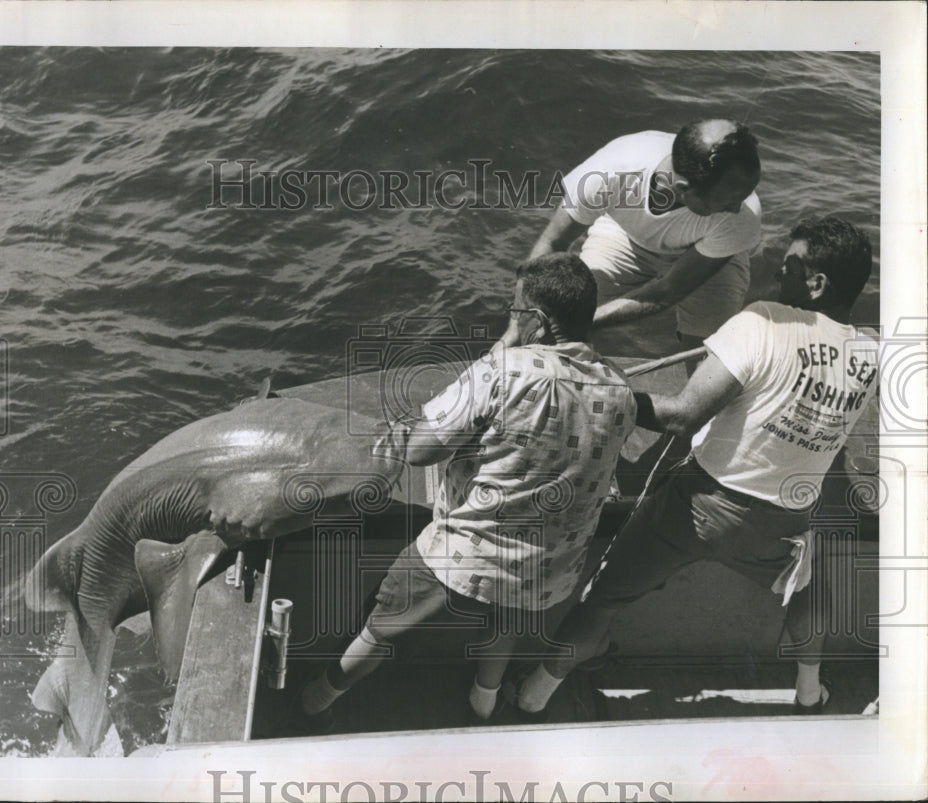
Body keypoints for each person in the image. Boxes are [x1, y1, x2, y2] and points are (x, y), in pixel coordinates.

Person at [506, 216, 878, 720]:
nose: (777, 274)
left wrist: (600, 392)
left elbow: (683, 416)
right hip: (781, 523)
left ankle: (533, 695)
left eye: (789, 267)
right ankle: (810, 692)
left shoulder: (763, 320)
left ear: (816, 284)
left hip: (697, 506)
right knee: (806, 593)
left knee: (605, 597)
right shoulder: (870, 351)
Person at [297, 253, 637, 729]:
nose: (510, 318)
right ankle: (484, 703)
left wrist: (501, 349)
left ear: (537, 321)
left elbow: (419, 450)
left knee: (384, 624)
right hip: (549, 566)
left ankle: (316, 700)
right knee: (509, 616)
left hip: (466, 552)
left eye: (515, 311)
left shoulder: (504, 369)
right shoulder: (621, 390)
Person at [531, 118, 762, 347]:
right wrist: (524, 318)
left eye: (744, 196)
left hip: (709, 253)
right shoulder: (609, 172)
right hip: (625, 235)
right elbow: (552, 244)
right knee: (566, 310)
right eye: (728, 202)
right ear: (683, 189)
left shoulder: (741, 217)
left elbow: (669, 290)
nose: (736, 208)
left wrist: (576, 324)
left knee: (709, 350)